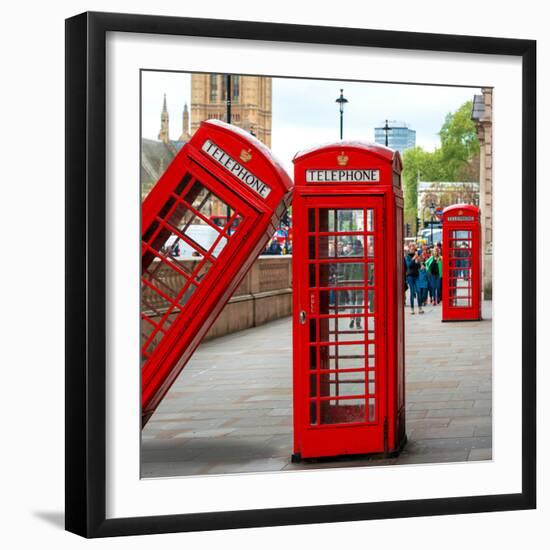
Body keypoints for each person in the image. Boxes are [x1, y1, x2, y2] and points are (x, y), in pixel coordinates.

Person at [404, 243, 423, 314]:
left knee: (418, 291)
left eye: (413, 248)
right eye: (411, 248)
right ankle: (412, 309)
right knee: (412, 292)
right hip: (410, 276)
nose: (412, 249)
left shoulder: (416, 256)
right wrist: (414, 258)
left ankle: (420, 308)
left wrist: (418, 261)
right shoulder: (407, 256)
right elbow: (409, 265)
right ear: (409, 249)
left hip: (416, 275)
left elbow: (418, 266)